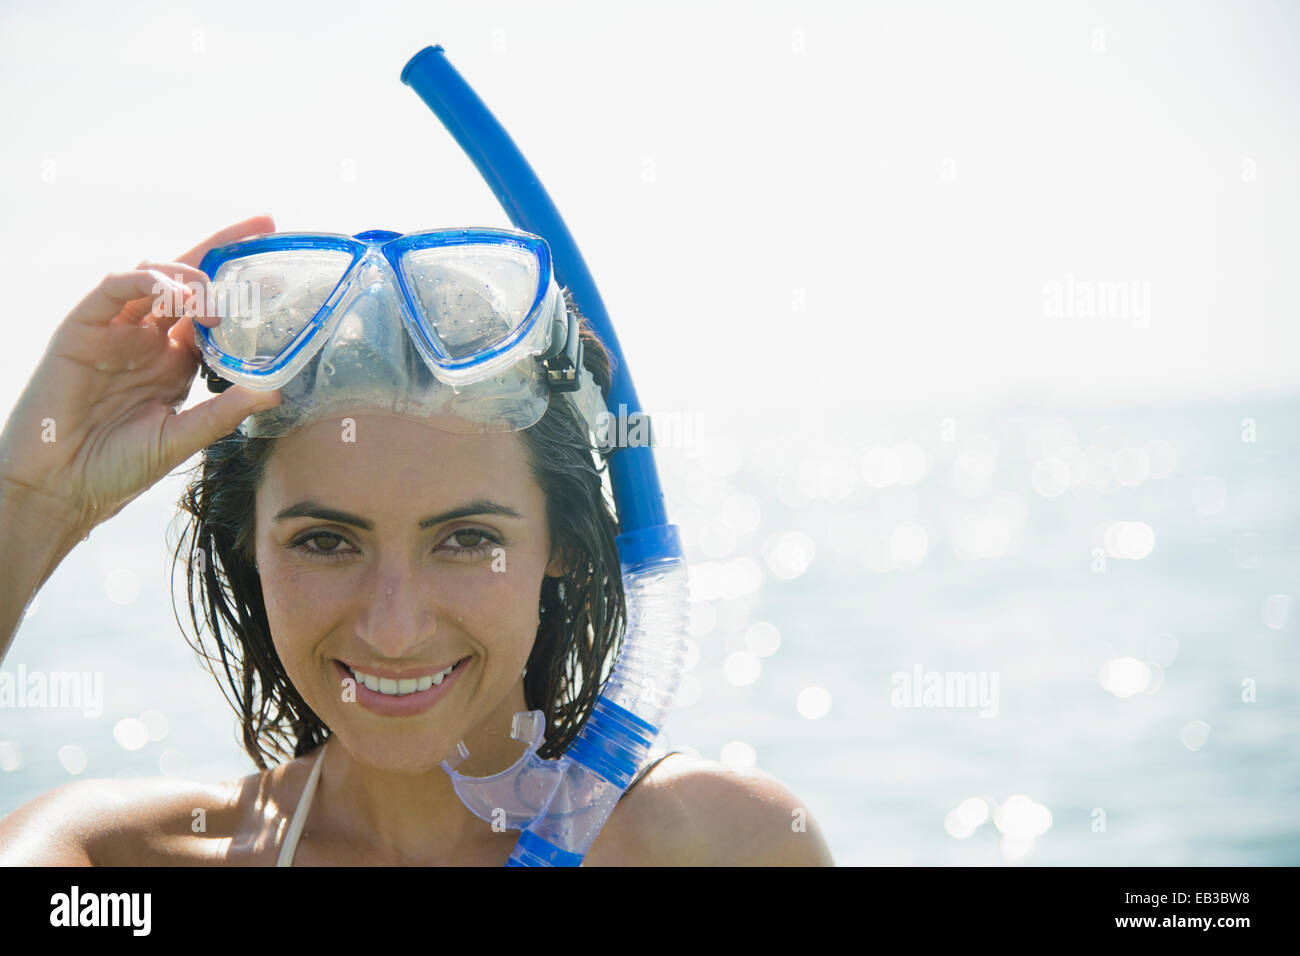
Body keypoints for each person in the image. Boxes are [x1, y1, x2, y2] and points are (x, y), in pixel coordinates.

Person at [0, 215, 835, 866]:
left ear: (565, 545)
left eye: (468, 539)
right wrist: (30, 504)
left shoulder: (727, 848)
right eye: (326, 543)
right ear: (247, 546)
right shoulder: (114, 864)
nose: (392, 631)